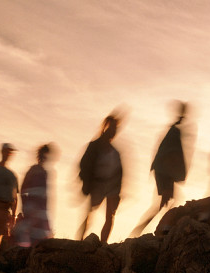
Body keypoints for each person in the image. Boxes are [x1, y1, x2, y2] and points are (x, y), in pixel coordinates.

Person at [130, 102, 190, 236]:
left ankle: (148, 228)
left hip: (164, 171)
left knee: (164, 203)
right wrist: (177, 172)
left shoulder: (173, 130)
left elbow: (168, 152)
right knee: (167, 201)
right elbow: (172, 154)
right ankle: (160, 228)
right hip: (165, 172)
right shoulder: (175, 132)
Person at [77, 114, 123, 243]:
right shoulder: (94, 146)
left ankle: (103, 244)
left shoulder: (115, 152)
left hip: (112, 187)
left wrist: (119, 191)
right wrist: (86, 182)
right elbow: (84, 164)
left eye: (115, 130)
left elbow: (119, 173)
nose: (113, 132)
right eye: (112, 129)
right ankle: (80, 241)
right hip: (97, 184)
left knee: (110, 216)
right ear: (106, 128)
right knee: (89, 214)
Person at [15, 144, 53, 247]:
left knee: (38, 237)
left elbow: (45, 195)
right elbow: (23, 189)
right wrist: (25, 205)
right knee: (31, 235)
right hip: (32, 207)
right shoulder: (34, 170)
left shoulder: (45, 172)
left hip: (40, 209)